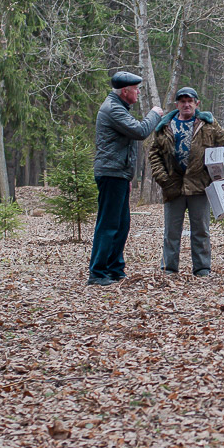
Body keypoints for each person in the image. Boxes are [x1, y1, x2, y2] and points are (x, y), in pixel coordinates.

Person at [148, 86, 224, 277]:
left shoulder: (208, 124)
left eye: (190, 101)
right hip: (173, 186)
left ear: (197, 104)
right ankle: (169, 268)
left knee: (201, 230)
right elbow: (154, 153)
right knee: (171, 231)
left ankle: (202, 268)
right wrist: (162, 177)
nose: (186, 105)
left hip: (200, 185)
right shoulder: (164, 126)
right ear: (177, 105)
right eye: (183, 101)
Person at [88, 71, 164, 286]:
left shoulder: (119, 108)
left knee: (121, 224)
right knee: (108, 224)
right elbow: (140, 131)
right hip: (111, 174)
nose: (138, 93)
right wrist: (154, 114)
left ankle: (114, 269)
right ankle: (97, 272)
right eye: (136, 89)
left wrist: (127, 176)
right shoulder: (113, 109)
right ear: (125, 91)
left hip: (118, 174)